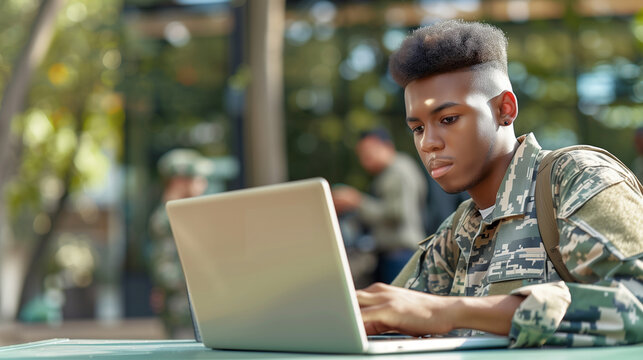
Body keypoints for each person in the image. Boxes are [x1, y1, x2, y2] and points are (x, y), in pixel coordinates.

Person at [355, 20, 643, 348]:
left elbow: (636, 300)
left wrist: (451, 311)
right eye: (418, 128)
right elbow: (390, 315)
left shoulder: (576, 178)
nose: (428, 143)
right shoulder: (455, 232)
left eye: (448, 119)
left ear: (504, 110)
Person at [332, 128, 428, 284]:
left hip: (401, 255)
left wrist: (357, 201)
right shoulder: (387, 174)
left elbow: (396, 214)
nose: (365, 159)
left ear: (387, 146)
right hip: (390, 256)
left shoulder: (399, 171)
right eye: (362, 155)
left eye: (369, 152)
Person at [148, 149, 212, 338]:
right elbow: (165, 270)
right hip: (182, 311)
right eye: (197, 178)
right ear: (179, 181)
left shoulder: (182, 214)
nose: (203, 184)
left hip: (191, 309)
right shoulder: (167, 217)